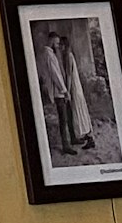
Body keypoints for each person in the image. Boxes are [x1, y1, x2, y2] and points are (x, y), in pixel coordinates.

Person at [40, 26, 96, 157]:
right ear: (52, 40)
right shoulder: (48, 54)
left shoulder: (53, 53)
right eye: (57, 43)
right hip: (60, 92)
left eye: (60, 44)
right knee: (63, 119)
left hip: (64, 91)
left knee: (69, 115)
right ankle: (66, 146)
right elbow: (55, 74)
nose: (58, 46)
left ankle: (73, 138)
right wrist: (65, 90)